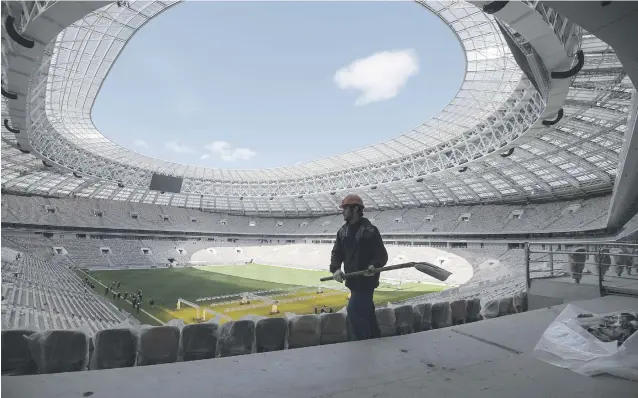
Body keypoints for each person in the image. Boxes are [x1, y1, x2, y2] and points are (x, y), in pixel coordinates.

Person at [330, 194, 387, 341]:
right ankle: (375, 340)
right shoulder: (343, 231)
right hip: (353, 282)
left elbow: (381, 255)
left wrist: (374, 265)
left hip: (366, 282)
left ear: (356, 209)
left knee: (354, 310)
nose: (343, 211)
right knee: (367, 313)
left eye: (345, 208)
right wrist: (335, 269)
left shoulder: (370, 231)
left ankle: (364, 345)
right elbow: (337, 253)